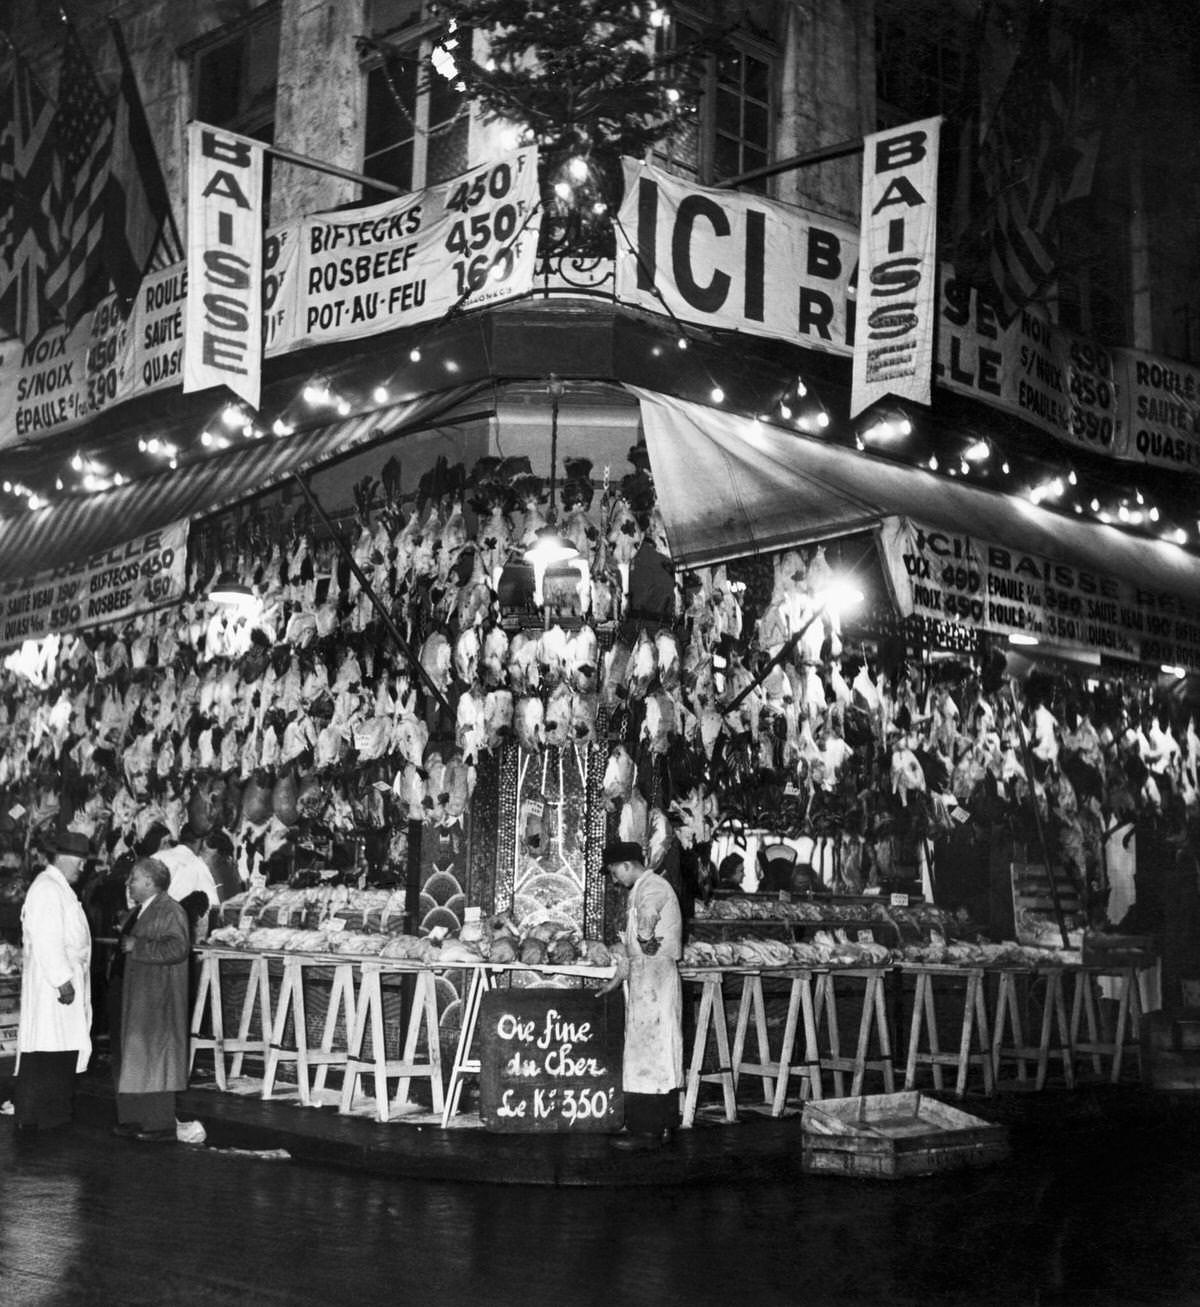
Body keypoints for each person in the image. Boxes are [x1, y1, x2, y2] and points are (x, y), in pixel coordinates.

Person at [596, 839, 684, 1152]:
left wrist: (645, 936)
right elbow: (634, 950)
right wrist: (618, 978)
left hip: (656, 979)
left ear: (627, 865)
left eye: (613, 872)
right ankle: (659, 1127)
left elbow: (648, 920)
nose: (613, 879)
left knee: (651, 1054)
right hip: (646, 977)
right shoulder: (641, 889)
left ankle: (646, 1132)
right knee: (653, 1053)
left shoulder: (654, 887)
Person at [13, 830, 94, 1134]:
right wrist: (62, 980)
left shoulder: (57, 888)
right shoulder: (47, 889)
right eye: (80, 861)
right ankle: (40, 1116)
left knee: (58, 1048)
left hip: (61, 982)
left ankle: (48, 1113)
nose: (83, 868)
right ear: (63, 859)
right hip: (54, 986)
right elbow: (47, 939)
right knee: (48, 1048)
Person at [112, 857, 191, 1144]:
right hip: (139, 994)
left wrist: (138, 945)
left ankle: (160, 1124)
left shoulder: (171, 910)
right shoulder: (143, 910)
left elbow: (178, 947)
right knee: (136, 1058)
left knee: (157, 1059)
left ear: (149, 881)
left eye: (133, 878)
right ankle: (134, 1118)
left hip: (158, 998)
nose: (128, 883)